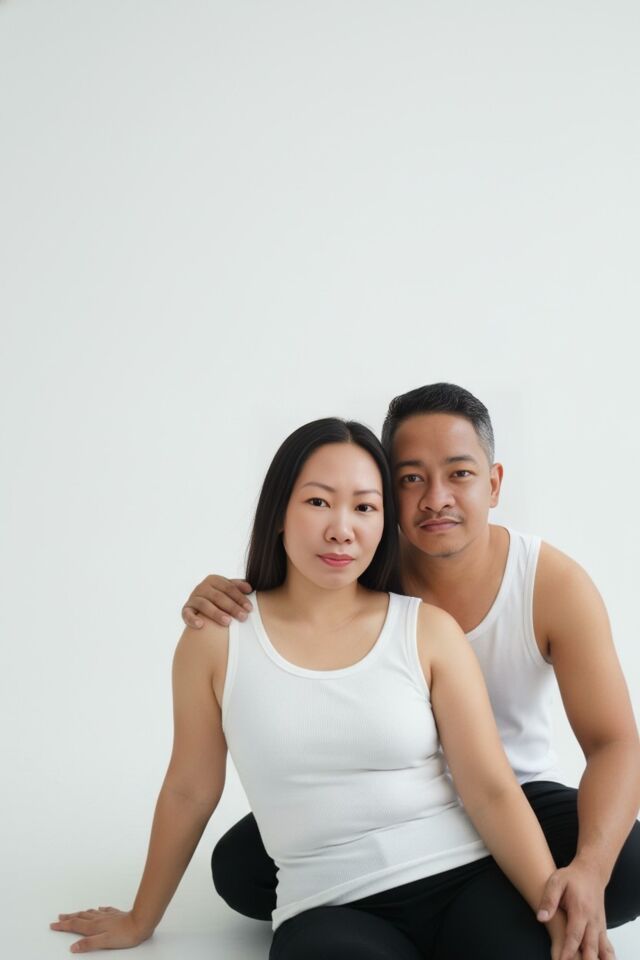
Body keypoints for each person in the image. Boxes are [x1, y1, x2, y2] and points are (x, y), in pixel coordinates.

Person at [51, 417, 570, 959]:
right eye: (319, 502)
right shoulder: (218, 639)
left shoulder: (427, 630)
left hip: (464, 879)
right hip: (330, 907)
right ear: (278, 513)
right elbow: (189, 790)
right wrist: (141, 918)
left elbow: (490, 790)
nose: (342, 529)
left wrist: (554, 908)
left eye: (365, 507)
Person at [183, 384, 640, 960]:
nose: (435, 498)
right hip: (377, 799)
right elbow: (292, 597)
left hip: (511, 793)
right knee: (238, 869)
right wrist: (222, 595)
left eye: (459, 474)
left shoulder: (550, 584)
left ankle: (491, 904)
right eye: (411, 479)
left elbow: (614, 742)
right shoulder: (357, 566)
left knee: (628, 861)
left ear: (494, 483)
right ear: (385, 489)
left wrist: (590, 870)